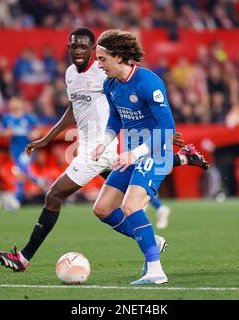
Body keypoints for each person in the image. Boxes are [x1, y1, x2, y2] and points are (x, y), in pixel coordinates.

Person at [0, 27, 208, 274]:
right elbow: (76, 109)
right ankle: (176, 173)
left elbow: (146, 108)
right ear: (68, 48)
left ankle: (23, 257)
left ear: (97, 49)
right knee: (105, 205)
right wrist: (47, 138)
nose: (80, 51)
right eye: (74, 46)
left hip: (103, 148)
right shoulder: (72, 75)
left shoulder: (108, 71)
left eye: (85, 47)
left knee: (55, 195)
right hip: (95, 146)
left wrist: (159, 131)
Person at [90, 29, 176, 285]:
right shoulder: (111, 85)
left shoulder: (149, 82)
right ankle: (153, 240)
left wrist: (135, 153)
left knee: (131, 206)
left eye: (102, 59)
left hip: (155, 153)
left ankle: (156, 271)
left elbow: (167, 129)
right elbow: (115, 119)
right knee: (102, 209)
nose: (98, 64)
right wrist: (103, 143)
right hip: (129, 155)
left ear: (118, 57)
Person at [0, 97, 42, 203]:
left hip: (28, 148)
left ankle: (18, 197)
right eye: (11, 102)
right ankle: (40, 181)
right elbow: (0, 132)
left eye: (16, 102)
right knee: (22, 171)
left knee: (22, 168)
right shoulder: (7, 118)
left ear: (21, 103)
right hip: (15, 149)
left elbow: (39, 129)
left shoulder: (28, 117)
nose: (14, 105)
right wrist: (6, 133)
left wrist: (35, 134)